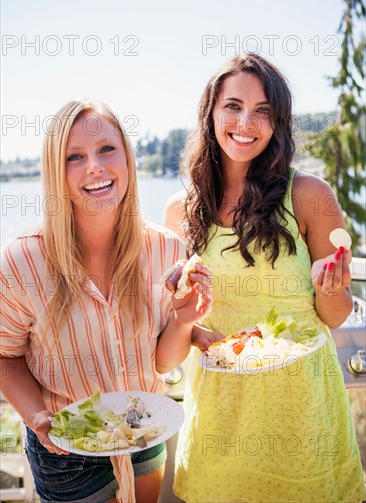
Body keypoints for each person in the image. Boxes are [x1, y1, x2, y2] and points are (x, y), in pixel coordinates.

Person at [164, 54, 365, 502]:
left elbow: (334, 316)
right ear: (211, 113)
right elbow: (179, 325)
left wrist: (330, 286)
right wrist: (188, 325)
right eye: (233, 106)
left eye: (263, 111)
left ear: (278, 122)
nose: (246, 121)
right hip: (221, 408)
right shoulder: (180, 210)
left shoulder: (309, 195)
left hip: (300, 406)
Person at [0, 100, 213, 503]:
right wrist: (36, 417)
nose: (95, 166)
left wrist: (184, 321)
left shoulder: (167, 249)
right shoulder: (21, 260)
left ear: (128, 159)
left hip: (145, 433)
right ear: (56, 174)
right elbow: (5, 356)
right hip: (66, 451)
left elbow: (163, 362)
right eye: (74, 157)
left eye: (106, 150)